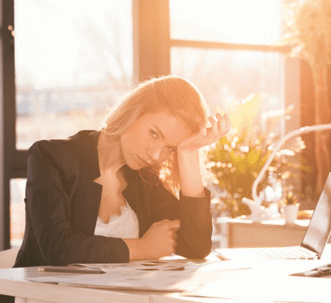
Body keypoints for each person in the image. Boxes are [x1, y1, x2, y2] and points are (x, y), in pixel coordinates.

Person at [13, 75, 231, 268]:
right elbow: (56, 248)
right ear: (133, 112)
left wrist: (188, 153)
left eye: (170, 148)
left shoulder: (145, 179)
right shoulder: (50, 156)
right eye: (154, 134)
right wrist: (142, 248)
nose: (155, 155)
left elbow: (195, 248)